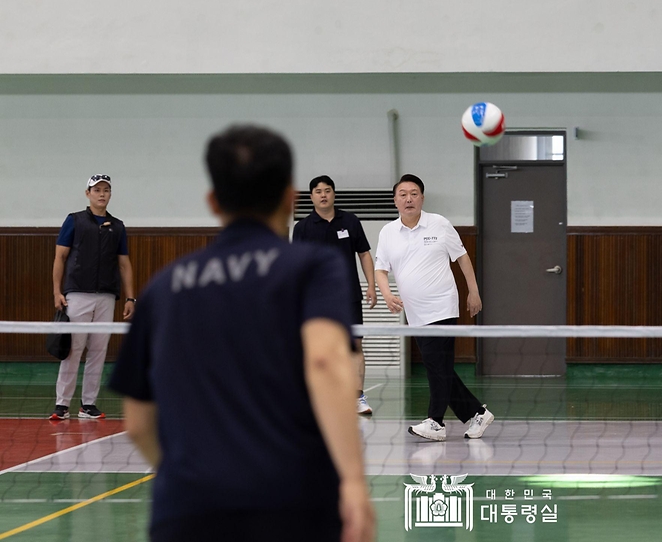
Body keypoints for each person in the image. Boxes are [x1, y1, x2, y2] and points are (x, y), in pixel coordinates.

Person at [109, 125, 374, 542]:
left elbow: (139, 423)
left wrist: (191, 480)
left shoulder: (164, 285)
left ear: (213, 201)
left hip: (187, 506)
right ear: (290, 198)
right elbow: (325, 362)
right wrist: (354, 482)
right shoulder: (310, 268)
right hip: (292, 500)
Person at [374, 173, 494, 442]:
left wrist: (473, 292)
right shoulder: (388, 232)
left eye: (414, 193)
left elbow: (462, 259)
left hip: (442, 306)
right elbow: (381, 269)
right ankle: (477, 413)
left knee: (436, 365)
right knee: (439, 366)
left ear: (422, 198)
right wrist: (387, 294)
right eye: (403, 194)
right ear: (395, 200)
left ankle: (436, 422)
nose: (409, 199)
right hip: (415, 314)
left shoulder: (439, 224)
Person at [50, 173, 136, 420]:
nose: (102, 194)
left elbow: (124, 264)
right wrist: (57, 291)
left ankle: (88, 404)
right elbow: (60, 257)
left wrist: (131, 298)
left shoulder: (118, 226)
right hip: (76, 294)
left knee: (98, 350)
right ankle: (62, 404)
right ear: (88, 193)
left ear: (110, 194)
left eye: (106, 190)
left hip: (107, 296)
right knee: (73, 349)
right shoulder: (74, 221)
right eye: (97, 190)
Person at [293, 175, 377, 415]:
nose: (323, 195)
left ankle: (357, 397)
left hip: (348, 295)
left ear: (334, 194)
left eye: (327, 190)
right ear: (311, 197)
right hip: (315, 298)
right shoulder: (302, 227)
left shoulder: (350, 221)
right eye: (318, 191)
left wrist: (371, 286)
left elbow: (364, 254)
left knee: (354, 346)